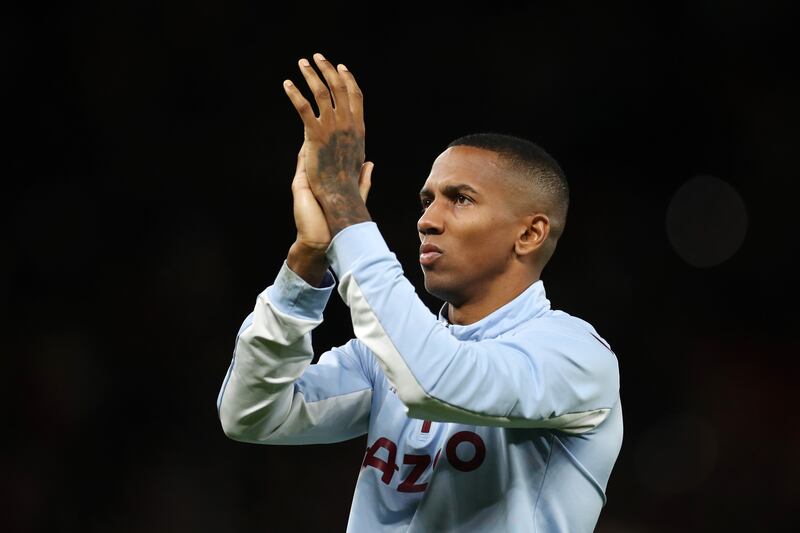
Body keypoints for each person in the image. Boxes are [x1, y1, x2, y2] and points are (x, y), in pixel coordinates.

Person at [217, 52, 623, 532]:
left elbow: (433, 381)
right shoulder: (382, 357)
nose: (427, 220)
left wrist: (346, 203)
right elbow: (250, 414)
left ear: (530, 234)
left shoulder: (574, 356)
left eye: (461, 199)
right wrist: (309, 258)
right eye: (427, 200)